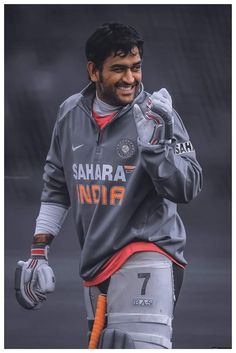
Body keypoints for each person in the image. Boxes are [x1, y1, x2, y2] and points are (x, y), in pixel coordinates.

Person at [14, 22, 203, 349]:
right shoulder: (69, 113)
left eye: (136, 68)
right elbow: (57, 185)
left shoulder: (157, 115)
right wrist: (38, 253)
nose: (130, 79)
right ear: (93, 71)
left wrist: (157, 149)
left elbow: (187, 187)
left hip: (147, 251)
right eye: (118, 69)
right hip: (95, 262)